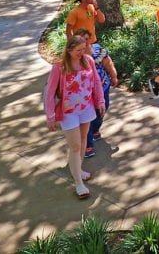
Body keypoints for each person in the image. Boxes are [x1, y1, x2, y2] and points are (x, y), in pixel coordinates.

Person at [44, 35, 106, 199]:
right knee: (75, 146)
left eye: (84, 49)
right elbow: (49, 93)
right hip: (68, 112)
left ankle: (78, 170)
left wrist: (100, 101)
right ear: (69, 50)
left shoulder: (88, 61)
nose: (82, 52)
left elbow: (97, 83)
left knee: (84, 139)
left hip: (86, 108)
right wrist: (50, 116)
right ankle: (79, 183)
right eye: (78, 50)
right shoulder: (59, 67)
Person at [75, 28, 117, 159]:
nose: (85, 42)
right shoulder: (75, 55)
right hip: (85, 93)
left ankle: (95, 129)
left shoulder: (98, 50)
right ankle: (87, 145)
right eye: (82, 39)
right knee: (86, 117)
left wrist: (114, 76)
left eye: (87, 39)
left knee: (102, 111)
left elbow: (108, 63)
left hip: (103, 87)